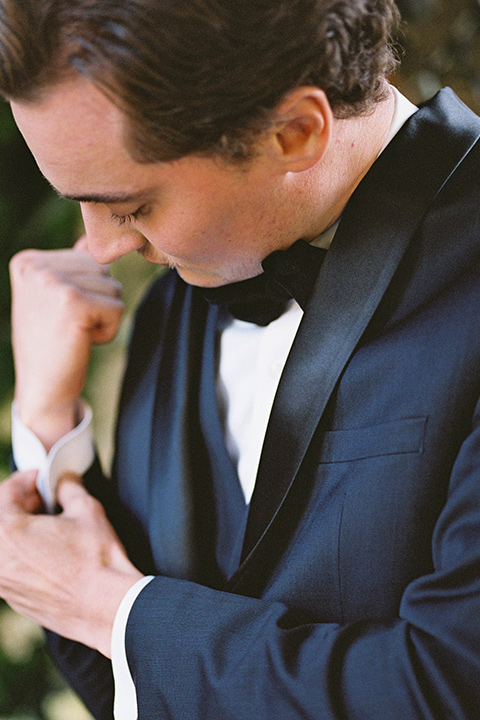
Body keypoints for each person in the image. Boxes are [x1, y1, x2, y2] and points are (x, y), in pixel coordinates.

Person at [1, 0, 480, 718]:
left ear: (294, 132)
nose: (98, 248)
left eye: (130, 207)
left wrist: (108, 608)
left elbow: (447, 686)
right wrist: (47, 415)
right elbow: (138, 693)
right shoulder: (184, 293)